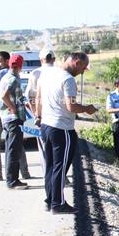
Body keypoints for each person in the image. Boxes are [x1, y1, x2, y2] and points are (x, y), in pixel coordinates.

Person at [36, 51, 96, 214]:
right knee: (60, 168)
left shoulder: (47, 73)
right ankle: (58, 204)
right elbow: (71, 106)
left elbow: (38, 96)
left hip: (46, 126)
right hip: (62, 129)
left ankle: (50, 200)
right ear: (77, 62)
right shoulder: (68, 79)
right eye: (83, 68)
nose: (82, 72)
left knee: (50, 166)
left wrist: (38, 115)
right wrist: (87, 109)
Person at [0, 51, 30, 182]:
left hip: (1, 110)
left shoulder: (1, 74)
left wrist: (12, 106)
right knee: (15, 143)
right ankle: (24, 171)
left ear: (7, 61)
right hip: (10, 113)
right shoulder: (14, 76)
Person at [0, 54, 29, 190]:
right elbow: (3, 96)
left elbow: (15, 96)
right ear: (21, 66)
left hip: (7, 118)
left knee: (11, 149)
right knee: (13, 150)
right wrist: (13, 108)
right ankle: (12, 181)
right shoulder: (13, 79)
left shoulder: (6, 76)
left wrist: (24, 103)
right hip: (12, 119)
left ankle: (12, 179)